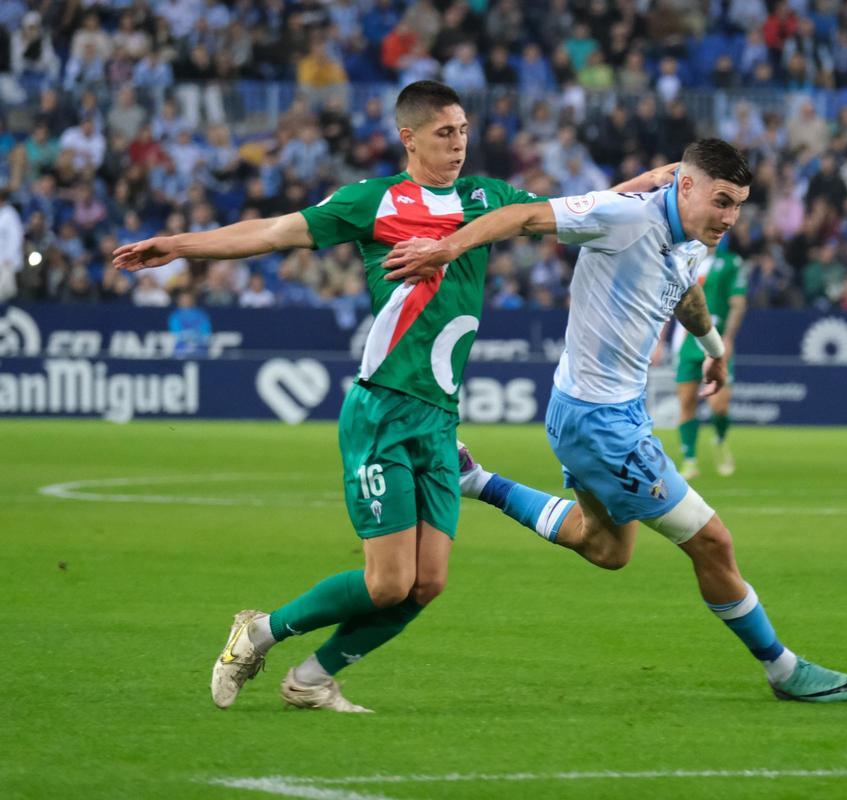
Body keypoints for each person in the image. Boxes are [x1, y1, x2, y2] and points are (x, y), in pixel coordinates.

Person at [113, 81, 672, 714]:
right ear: (409, 138)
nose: (459, 143)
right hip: (382, 409)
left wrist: (653, 179)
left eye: (463, 130)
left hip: (438, 419)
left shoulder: (487, 199)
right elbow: (272, 233)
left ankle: (311, 679)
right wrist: (178, 246)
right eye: (444, 133)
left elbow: (584, 207)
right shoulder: (373, 202)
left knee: (427, 583)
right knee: (387, 583)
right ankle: (260, 631)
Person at [385, 139, 847, 703]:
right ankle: (782, 669)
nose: (730, 218)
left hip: (602, 412)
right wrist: (444, 250)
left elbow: (686, 292)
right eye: (722, 201)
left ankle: (474, 479)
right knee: (712, 542)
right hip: (599, 423)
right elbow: (522, 216)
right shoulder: (621, 217)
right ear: (686, 186)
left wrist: (713, 346)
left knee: (607, 549)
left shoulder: (691, 237)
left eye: (738, 206)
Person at [656, 239, 747, 479]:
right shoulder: (681, 260)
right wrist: (659, 340)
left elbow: (738, 303)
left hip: (716, 340)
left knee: (720, 405)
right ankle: (690, 459)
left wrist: (727, 338)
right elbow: (666, 303)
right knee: (686, 403)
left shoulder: (730, 263)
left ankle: (720, 439)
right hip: (687, 342)